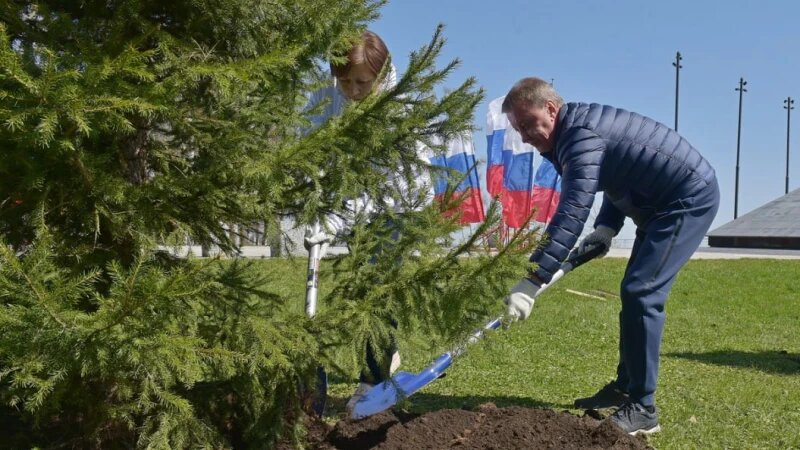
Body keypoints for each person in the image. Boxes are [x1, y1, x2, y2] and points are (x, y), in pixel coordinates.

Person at [501, 77, 720, 435]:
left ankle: (644, 409)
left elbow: (572, 209)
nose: (524, 136)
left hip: (687, 200)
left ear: (551, 109)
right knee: (634, 291)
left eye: (527, 124)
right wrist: (607, 227)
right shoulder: (575, 133)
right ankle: (625, 388)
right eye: (518, 129)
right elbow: (617, 174)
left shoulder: (580, 136)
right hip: (655, 204)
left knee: (642, 292)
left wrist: (534, 277)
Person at [302, 31, 433, 413]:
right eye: (345, 81)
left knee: (375, 284)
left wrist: (336, 220)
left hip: (401, 204)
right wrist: (313, 207)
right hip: (349, 203)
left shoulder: (401, 109)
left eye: (362, 82)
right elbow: (307, 152)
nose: (353, 90)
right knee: (359, 279)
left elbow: (389, 187)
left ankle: (372, 380)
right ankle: (378, 357)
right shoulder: (325, 99)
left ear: (382, 74)